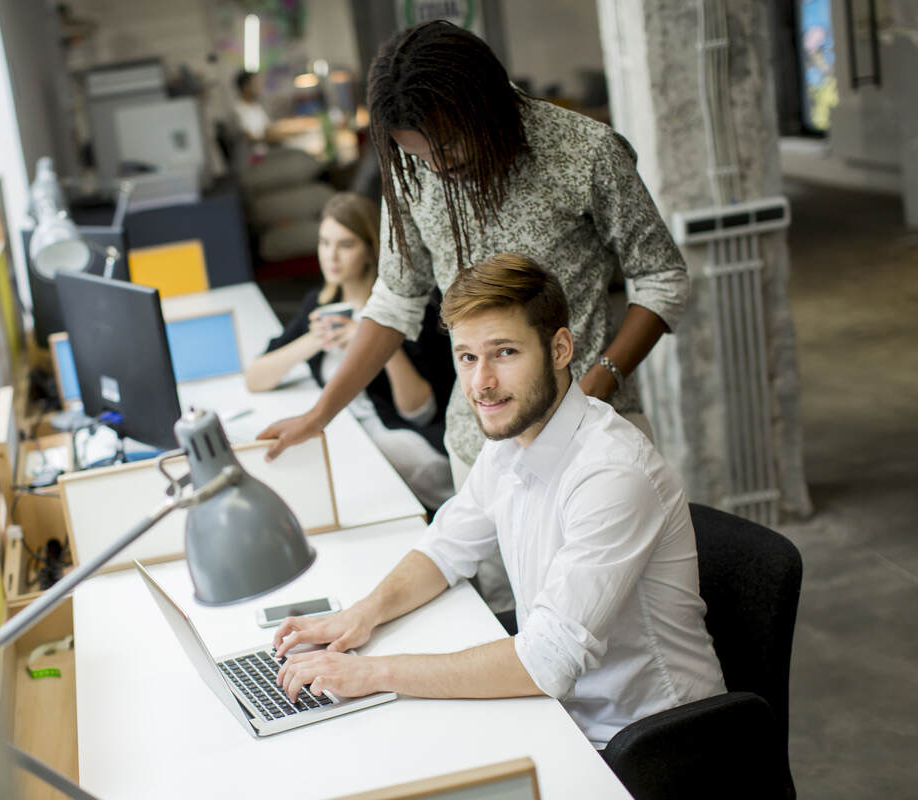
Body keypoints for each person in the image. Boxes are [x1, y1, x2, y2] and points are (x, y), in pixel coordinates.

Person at [257, 20, 690, 611]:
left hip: (589, 434)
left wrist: (600, 380)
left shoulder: (584, 152)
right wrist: (320, 413)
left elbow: (662, 277)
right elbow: (395, 298)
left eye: (446, 145)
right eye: (417, 152)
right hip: (480, 445)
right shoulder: (411, 173)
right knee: (502, 617)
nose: (436, 165)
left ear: (483, 106)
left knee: (606, 637)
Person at [272, 255, 725, 748]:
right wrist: (359, 616)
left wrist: (371, 674)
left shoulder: (611, 472)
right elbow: (444, 550)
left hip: (649, 743)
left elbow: (545, 662)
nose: (481, 382)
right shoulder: (510, 442)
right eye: (467, 357)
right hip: (562, 716)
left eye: (504, 352)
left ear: (560, 349)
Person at [245, 193, 454, 511]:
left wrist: (375, 343)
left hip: (400, 443)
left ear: (371, 250)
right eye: (324, 243)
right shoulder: (320, 305)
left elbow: (420, 412)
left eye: (346, 245)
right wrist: (311, 341)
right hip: (344, 432)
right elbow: (255, 378)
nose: (331, 256)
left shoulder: (408, 313)